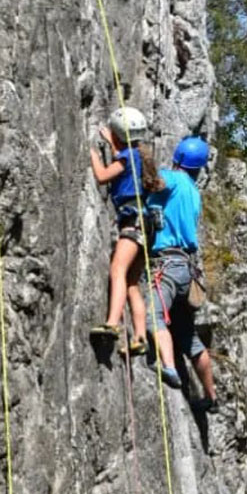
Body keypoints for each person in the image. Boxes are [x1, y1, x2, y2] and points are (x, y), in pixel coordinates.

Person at [144, 136, 217, 411]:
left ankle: (169, 368)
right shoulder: (194, 193)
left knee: (154, 314)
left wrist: (141, 158)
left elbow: (156, 183)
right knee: (188, 336)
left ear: (178, 159)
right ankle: (211, 397)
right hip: (187, 270)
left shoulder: (173, 179)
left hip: (168, 265)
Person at [88, 107, 164, 355]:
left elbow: (102, 176)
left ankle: (112, 324)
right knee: (132, 283)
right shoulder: (137, 155)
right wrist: (112, 144)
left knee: (117, 270)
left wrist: (91, 154)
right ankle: (140, 337)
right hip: (147, 228)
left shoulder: (127, 156)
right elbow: (124, 162)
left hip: (132, 225)